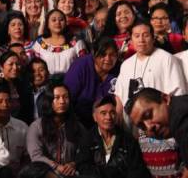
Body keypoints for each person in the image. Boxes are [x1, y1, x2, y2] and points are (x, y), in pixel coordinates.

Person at [114, 21, 186, 178]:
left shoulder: (166, 58)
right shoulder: (126, 64)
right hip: (137, 129)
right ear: (131, 39)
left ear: (153, 37)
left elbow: (178, 93)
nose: (141, 39)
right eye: (137, 36)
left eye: (146, 35)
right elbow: (119, 97)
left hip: (162, 126)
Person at [76, 95, 151, 178]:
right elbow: (83, 167)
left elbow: (137, 170)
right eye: (103, 113)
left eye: (112, 113)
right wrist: (112, 172)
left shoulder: (128, 140)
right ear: (95, 117)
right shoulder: (87, 139)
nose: (108, 117)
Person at [125, 87, 188, 178]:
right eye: (142, 126)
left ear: (165, 99)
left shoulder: (181, 119)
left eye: (148, 115)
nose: (149, 127)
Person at [27, 83, 86, 178]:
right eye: (57, 97)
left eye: (65, 97)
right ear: (49, 101)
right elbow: (36, 156)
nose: (62, 101)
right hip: (45, 173)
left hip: (71, 173)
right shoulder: (36, 127)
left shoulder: (77, 125)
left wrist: (73, 164)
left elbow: (85, 150)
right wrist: (56, 166)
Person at [64, 37, 119, 128]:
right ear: (94, 54)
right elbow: (67, 99)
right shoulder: (80, 66)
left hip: (109, 123)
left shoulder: (120, 69)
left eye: (112, 55)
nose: (108, 59)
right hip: (78, 122)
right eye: (103, 54)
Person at [0, 83, 29, 177]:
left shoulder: (22, 127)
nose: (5, 105)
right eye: (0, 101)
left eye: (8, 101)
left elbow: (27, 156)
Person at [26, 9, 86, 75]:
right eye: (54, 20)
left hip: (71, 82)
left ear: (65, 23)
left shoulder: (76, 42)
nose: (58, 22)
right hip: (46, 83)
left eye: (61, 20)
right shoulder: (40, 43)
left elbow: (84, 65)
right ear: (47, 24)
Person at [0, 51, 34, 124]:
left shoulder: (21, 83)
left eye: (17, 64)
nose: (15, 67)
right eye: (11, 64)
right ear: (1, 67)